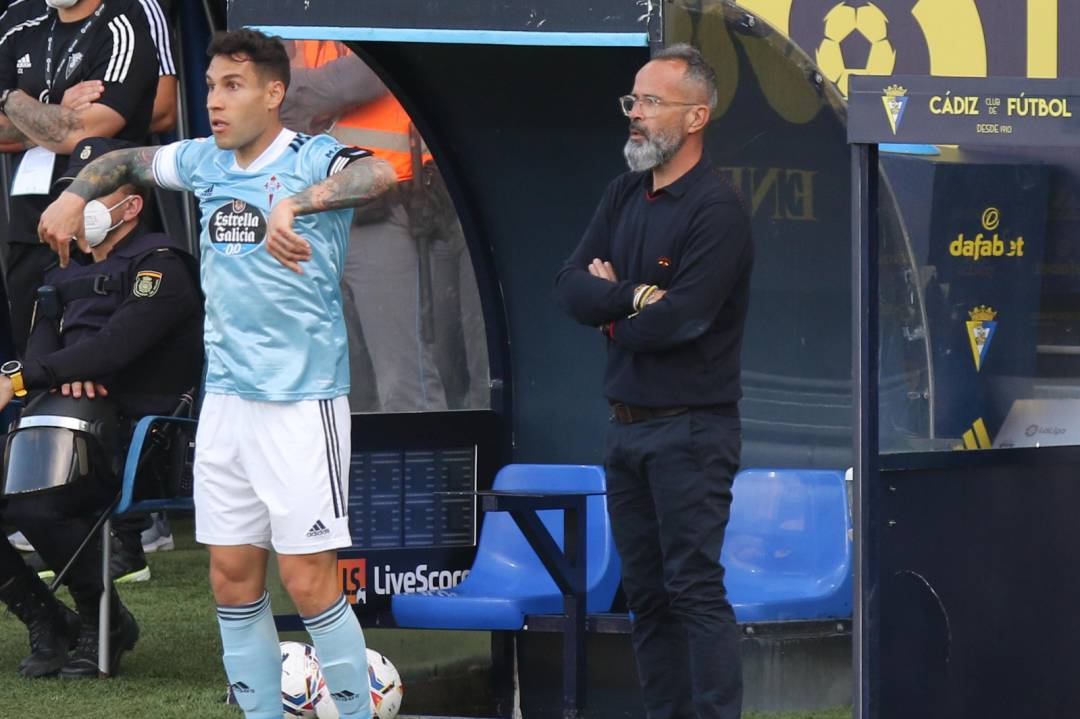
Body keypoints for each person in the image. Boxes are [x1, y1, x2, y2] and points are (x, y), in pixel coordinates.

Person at [39, 29, 396, 719]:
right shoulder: (205, 160)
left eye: (232, 86)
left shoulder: (312, 156)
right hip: (227, 402)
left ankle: (354, 711)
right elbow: (126, 161)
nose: (215, 101)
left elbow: (375, 173)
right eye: (208, 86)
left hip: (301, 401)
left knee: (308, 580)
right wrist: (73, 192)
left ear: (273, 92)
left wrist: (299, 202)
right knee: (231, 577)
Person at [552, 44, 754, 719]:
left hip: (692, 429)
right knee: (646, 593)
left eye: (650, 102)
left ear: (697, 116)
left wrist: (615, 314)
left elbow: (686, 320)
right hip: (627, 427)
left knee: (693, 587)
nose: (635, 114)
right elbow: (570, 287)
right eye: (632, 102)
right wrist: (636, 299)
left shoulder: (716, 209)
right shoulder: (622, 193)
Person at [0, 135, 203, 678]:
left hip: (139, 439)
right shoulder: (59, 272)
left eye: (91, 196)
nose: (76, 209)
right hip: (60, 427)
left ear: (131, 205)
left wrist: (44, 375)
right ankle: (48, 620)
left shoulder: (162, 265)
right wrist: (56, 377)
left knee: (34, 503)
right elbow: (42, 343)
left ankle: (103, 621)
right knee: (30, 493)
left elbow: (116, 347)